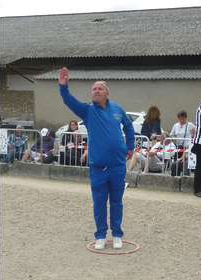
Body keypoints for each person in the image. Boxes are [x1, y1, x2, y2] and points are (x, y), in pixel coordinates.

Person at [58, 67, 135, 250]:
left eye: (100, 89)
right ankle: (101, 235)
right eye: (93, 89)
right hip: (98, 167)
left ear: (107, 93)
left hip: (117, 165)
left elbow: (129, 126)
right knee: (99, 203)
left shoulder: (117, 108)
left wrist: (130, 146)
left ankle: (117, 235)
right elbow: (69, 101)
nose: (96, 91)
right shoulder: (87, 110)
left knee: (116, 202)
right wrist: (63, 87)